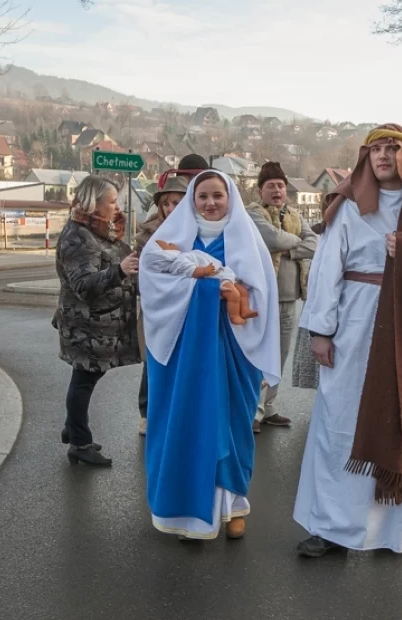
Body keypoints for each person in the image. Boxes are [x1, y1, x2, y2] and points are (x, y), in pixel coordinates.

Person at [293, 124, 402, 557]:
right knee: (340, 423)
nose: (384, 155)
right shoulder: (348, 204)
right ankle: (332, 528)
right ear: (365, 156)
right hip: (353, 324)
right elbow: (325, 270)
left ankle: (397, 528)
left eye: (394, 147)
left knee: (401, 421)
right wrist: (320, 330)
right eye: (376, 148)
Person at [139, 170, 280, 540]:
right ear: (192, 200)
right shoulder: (172, 238)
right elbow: (152, 284)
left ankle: (233, 506)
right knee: (190, 420)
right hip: (188, 352)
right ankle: (188, 514)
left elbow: (261, 292)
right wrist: (206, 292)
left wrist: (230, 293)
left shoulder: (248, 239)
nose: (210, 203)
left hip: (236, 348)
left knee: (233, 424)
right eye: (202, 196)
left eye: (217, 195)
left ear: (230, 198)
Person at [54, 176, 142, 466]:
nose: (118, 207)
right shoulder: (78, 237)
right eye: (113, 201)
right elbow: (83, 285)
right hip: (86, 326)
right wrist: (119, 271)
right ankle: (79, 442)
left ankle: (73, 427)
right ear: (94, 203)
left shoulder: (101, 231)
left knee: (86, 378)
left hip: (99, 326)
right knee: (84, 379)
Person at [246, 161, 318, 433]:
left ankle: (270, 408)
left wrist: (290, 248)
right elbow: (271, 239)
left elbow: (315, 244)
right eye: (270, 186)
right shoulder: (252, 214)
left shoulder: (297, 216)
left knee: (279, 356)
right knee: (258, 356)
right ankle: (253, 410)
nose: (276, 190)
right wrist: (294, 242)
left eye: (280, 185)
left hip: (289, 298)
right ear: (260, 190)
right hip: (260, 298)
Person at [134, 172, 188, 435]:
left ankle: (175, 411)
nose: (170, 208)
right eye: (166, 203)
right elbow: (141, 271)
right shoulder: (147, 234)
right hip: (156, 305)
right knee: (154, 357)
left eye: (177, 203)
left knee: (179, 359)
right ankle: (147, 411)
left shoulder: (195, 229)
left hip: (186, 305)